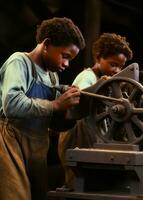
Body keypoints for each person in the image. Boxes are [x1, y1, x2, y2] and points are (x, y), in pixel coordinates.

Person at [0, 17, 85, 200]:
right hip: (10, 141)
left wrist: (72, 109)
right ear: (46, 44)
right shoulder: (20, 62)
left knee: (38, 195)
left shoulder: (52, 77)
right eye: (65, 56)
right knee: (16, 195)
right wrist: (56, 104)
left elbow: (53, 121)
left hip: (38, 145)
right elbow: (12, 104)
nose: (66, 64)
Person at [58, 32, 133, 190]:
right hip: (77, 136)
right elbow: (80, 104)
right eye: (113, 64)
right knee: (77, 182)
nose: (116, 70)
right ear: (98, 58)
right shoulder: (86, 77)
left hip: (91, 135)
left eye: (120, 66)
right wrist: (99, 86)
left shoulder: (107, 81)